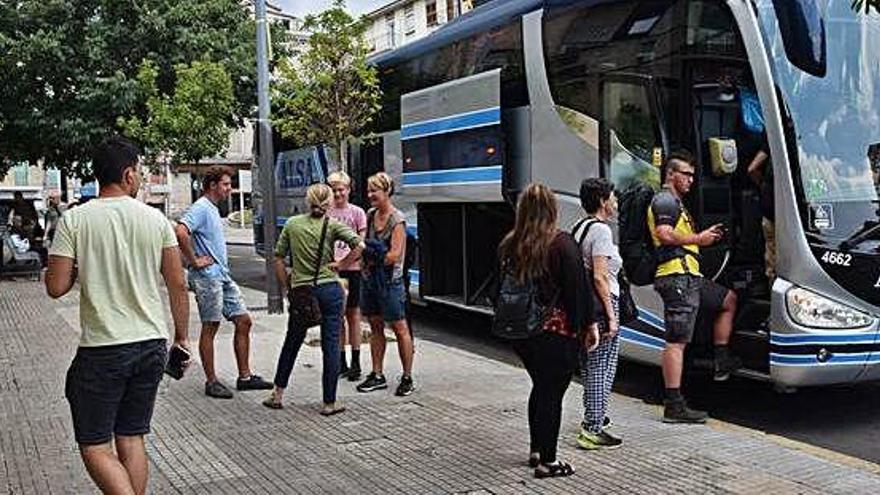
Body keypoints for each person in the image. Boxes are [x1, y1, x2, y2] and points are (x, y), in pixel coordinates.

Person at [45, 136, 191, 495]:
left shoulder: (75, 220)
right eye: (139, 171)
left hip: (102, 349)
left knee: (95, 444)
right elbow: (177, 285)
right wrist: (182, 339)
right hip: (151, 345)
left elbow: (55, 286)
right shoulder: (155, 219)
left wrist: (84, 265)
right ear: (128, 174)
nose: (139, 178)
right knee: (131, 437)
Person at [500, 183, 599, 479]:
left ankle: (536, 449)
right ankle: (549, 462)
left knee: (540, 387)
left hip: (521, 332)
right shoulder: (561, 243)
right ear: (552, 210)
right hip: (555, 332)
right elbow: (577, 290)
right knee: (552, 393)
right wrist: (589, 325)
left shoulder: (509, 244)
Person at [649, 151, 741, 424]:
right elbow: (663, 235)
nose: (691, 180)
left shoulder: (678, 203)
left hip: (691, 277)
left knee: (728, 299)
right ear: (670, 174)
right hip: (676, 277)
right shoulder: (665, 199)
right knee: (676, 342)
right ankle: (673, 404)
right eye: (685, 174)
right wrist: (699, 238)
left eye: (692, 174)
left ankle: (721, 358)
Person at [263, 184, 364, 415]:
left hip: (302, 293)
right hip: (330, 290)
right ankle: (329, 403)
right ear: (328, 203)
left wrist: (287, 287)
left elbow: (278, 258)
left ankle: (277, 394)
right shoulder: (332, 225)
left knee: (292, 342)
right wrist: (342, 264)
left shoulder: (292, 224)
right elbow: (360, 245)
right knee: (331, 345)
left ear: (308, 201)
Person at [175, 166, 273, 398]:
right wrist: (194, 261)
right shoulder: (200, 208)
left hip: (222, 276)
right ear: (213, 185)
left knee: (244, 321)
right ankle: (211, 381)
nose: (230, 189)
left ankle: (245, 376)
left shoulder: (211, 209)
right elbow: (180, 231)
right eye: (226, 184)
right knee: (211, 326)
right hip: (208, 277)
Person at [572, 178, 623, 450]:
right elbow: (601, 276)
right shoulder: (601, 231)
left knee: (591, 364)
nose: (615, 202)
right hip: (603, 304)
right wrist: (611, 316)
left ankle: (595, 418)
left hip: (586, 305)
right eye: (613, 197)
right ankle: (592, 427)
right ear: (603, 201)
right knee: (602, 367)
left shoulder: (580, 226)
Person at [355, 172, 416, 397]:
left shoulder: (396, 219)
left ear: (386, 191)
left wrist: (370, 253)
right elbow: (361, 245)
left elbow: (395, 255)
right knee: (375, 326)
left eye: (374, 191)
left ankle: (407, 377)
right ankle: (377, 374)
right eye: (369, 190)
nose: (370, 195)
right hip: (370, 279)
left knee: (400, 329)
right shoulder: (370, 216)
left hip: (391, 283)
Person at [327, 171, 368, 381]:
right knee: (337, 317)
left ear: (349, 190)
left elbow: (361, 244)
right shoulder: (327, 213)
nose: (337, 193)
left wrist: (344, 262)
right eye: (333, 190)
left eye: (341, 189)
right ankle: (340, 360)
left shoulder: (357, 213)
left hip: (352, 270)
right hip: (333, 272)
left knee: (353, 315)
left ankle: (356, 362)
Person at [746, 143, 775, 281]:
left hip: (772, 213)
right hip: (780, 215)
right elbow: (752, 169)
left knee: (773, 265)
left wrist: (764, 187)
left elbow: (752, 169)